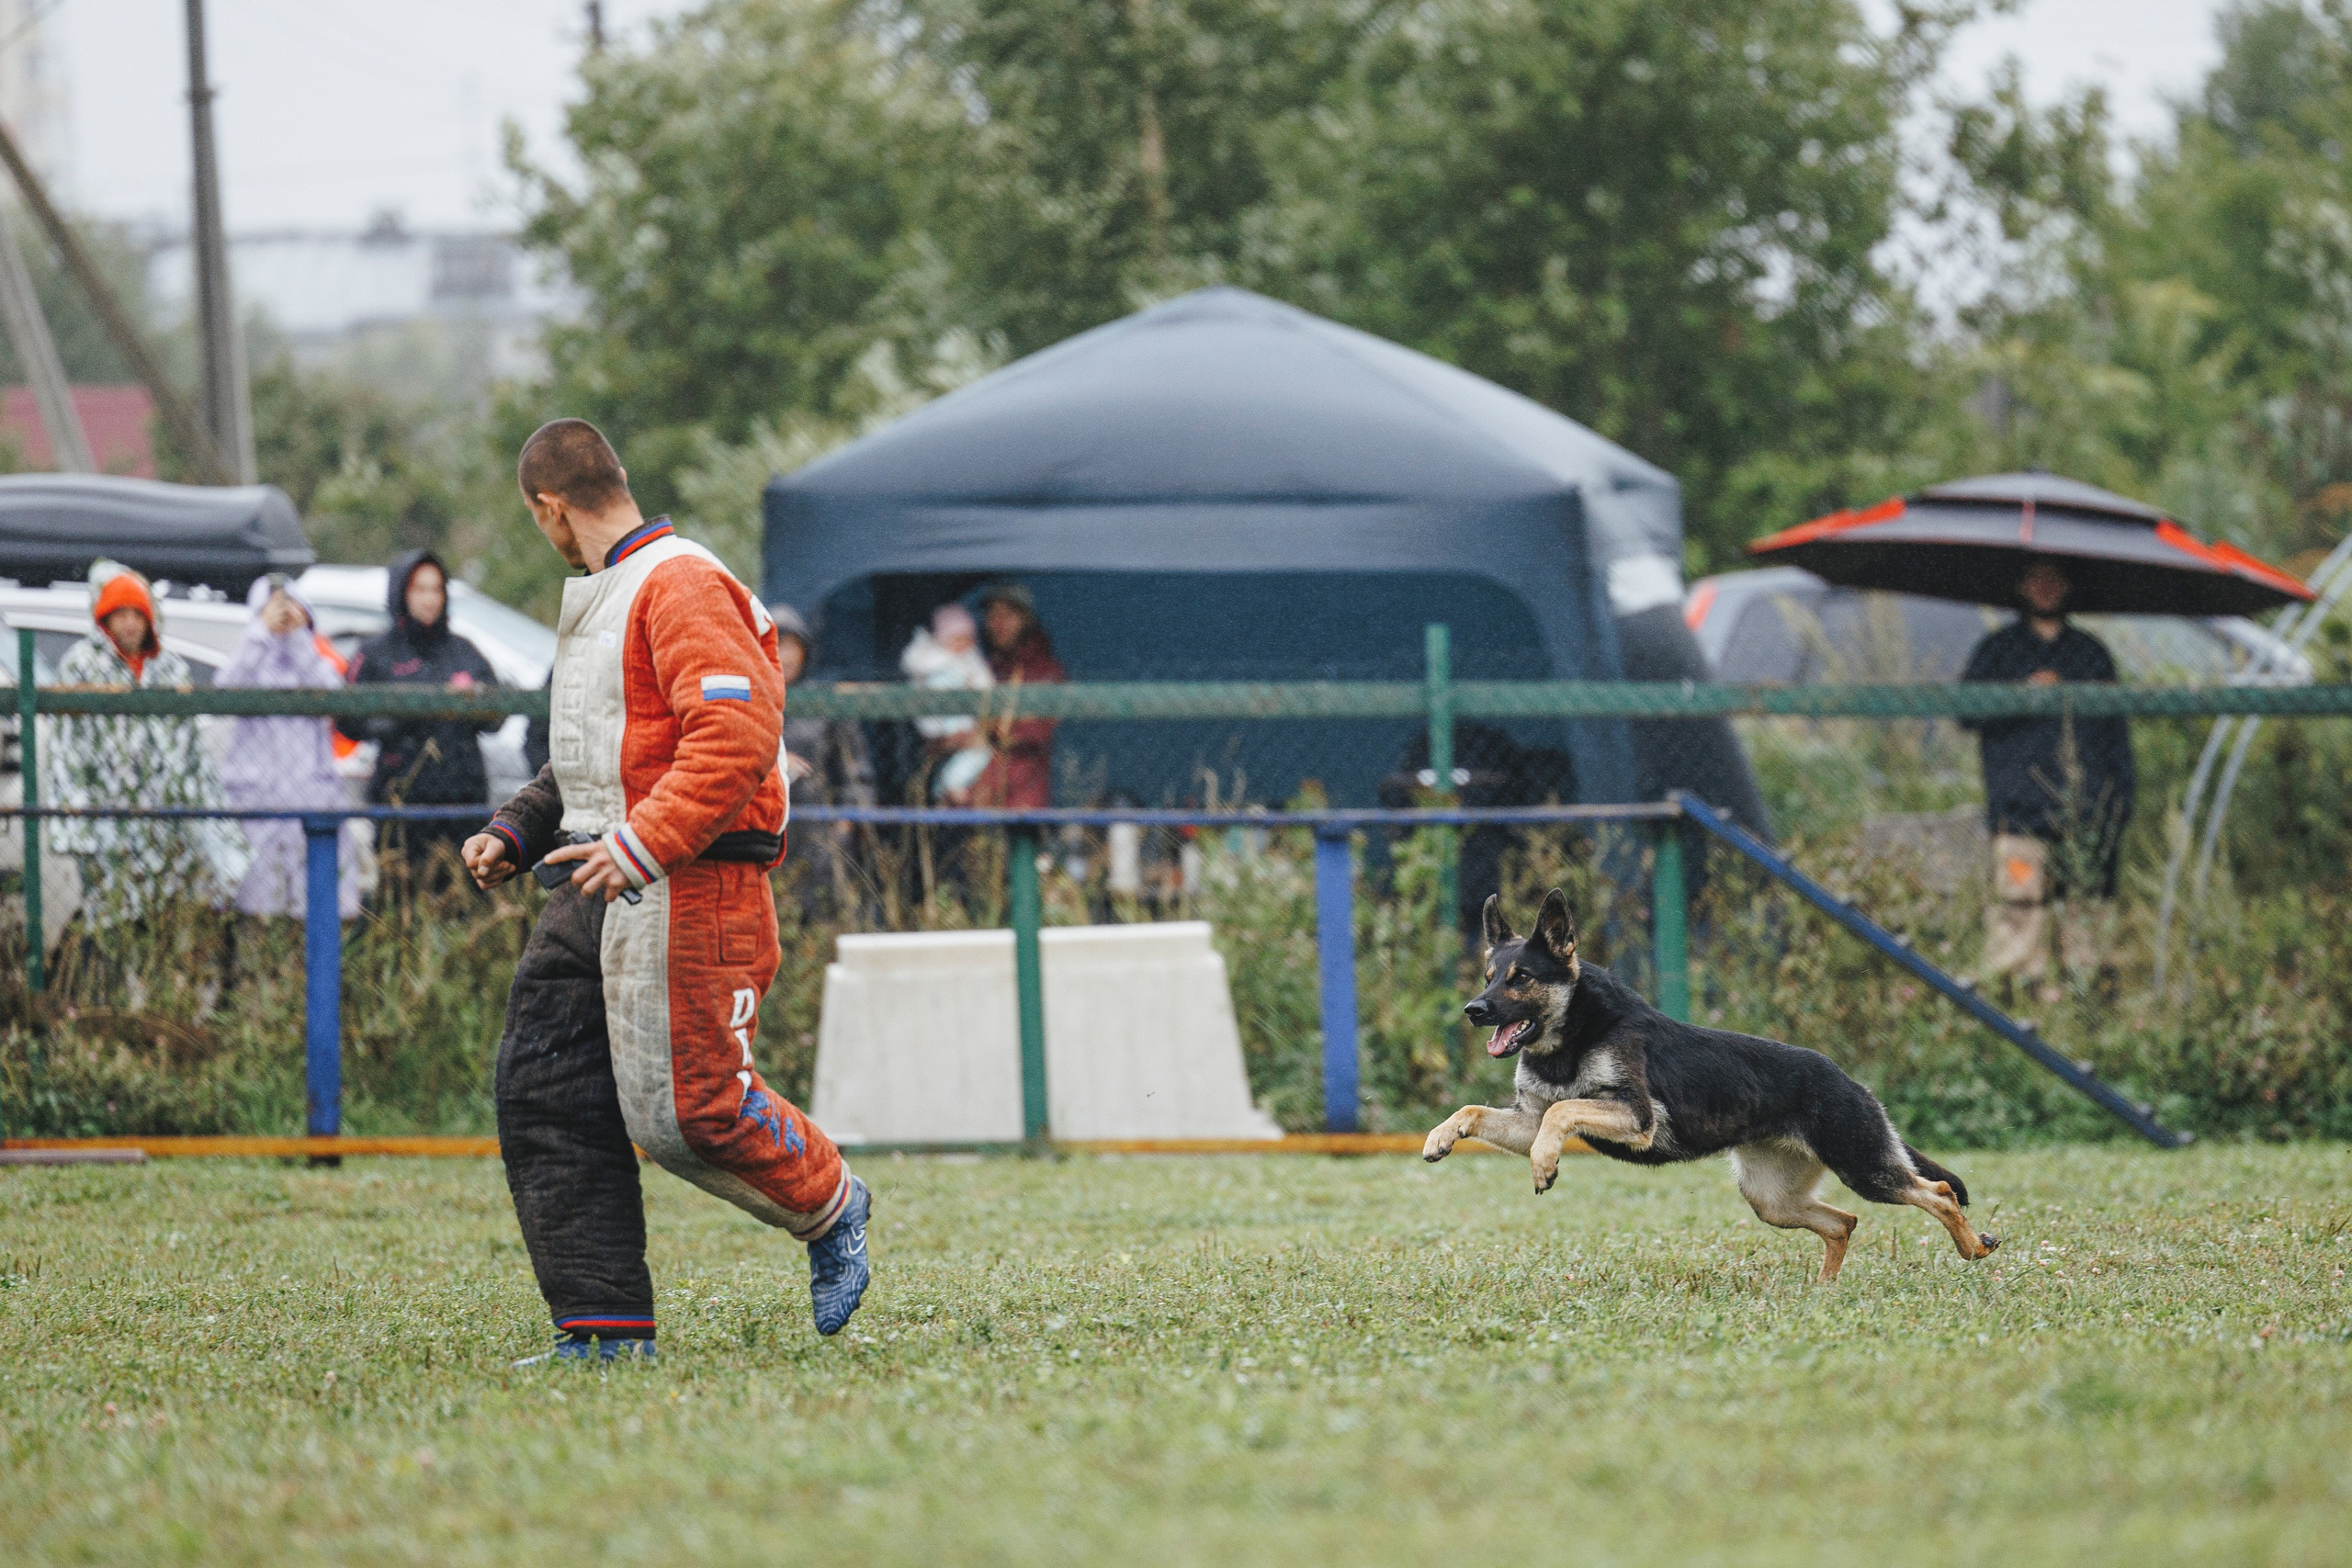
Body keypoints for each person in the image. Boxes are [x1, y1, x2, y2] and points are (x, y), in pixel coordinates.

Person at [461, 417, 869, 1361]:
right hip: (597, 879)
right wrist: (516, 829)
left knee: (692, 1115)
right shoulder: (611, 595)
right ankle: (604, 1332)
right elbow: (602, 757)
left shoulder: (679, 581)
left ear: (549, 507)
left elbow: (731, 739)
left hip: (689, 880)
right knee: (545, 1094)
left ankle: (832, 1201)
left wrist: (643, 842)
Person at [1960, 559, 2135, 993]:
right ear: (2019, 583)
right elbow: (1966, 712)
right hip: (2020, 811)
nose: (2044, 587)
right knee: (2019, 906)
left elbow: (2117, 733)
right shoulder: (1997, 651)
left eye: (2054, 577)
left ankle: (2090, 994)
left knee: (2089, 907)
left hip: (2087, 810)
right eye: (2034, 576)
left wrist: (2121, 800)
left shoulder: (2091, 653)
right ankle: (2018, 998)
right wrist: (2021, 695)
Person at [45, 565, 249, 930]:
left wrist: (201, 807)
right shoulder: (81, 665)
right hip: (109, 812)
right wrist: (76, 815)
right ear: (105, 618)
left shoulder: (169, 667)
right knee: (111, 914)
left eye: (137, 614)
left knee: (168, 915)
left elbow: (189, 748)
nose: (129, 624)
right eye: (120, 614)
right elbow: (66, 746)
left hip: (167, 816)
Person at [337, 550, 500, 884]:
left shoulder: (464, 651)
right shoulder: (376, 653)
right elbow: (346, 720)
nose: (429, 599)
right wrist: (399, 719)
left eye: (436, 589)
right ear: (401, 593)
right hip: (400, 802)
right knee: (400, 898)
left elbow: (496, 717)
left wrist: (472, 703)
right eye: (419, 589)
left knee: (464, 899)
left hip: (463, 803)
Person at [214, 575, 368, 921]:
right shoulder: (249, 658)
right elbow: (224, 691)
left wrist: (300, 639)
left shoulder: (313, 660)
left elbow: (333, 695)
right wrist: (261, 634)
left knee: (315, 906)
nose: (282, 616)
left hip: (310, 802)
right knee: (257, 909)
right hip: (257, 804)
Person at [775, 604, 876, 910]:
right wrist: (775, 761)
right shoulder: (743, 701)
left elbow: (856, 772)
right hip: (765, 833)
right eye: (777, 645)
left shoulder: (826, 704)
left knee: (823, 915)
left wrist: (846, 824)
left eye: (793, 646)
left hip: (818, 833)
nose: (785, 655)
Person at [970, 582, 1065, 809]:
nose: (998, 624)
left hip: (1022, 800)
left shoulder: (1045, 670)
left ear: (1027, 619)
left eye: (1008, 615)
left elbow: (1033, 729)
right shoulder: (980, 668)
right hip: (973, 800)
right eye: (992, 615)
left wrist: (987, 728)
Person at [899, 602, 994, 801]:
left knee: (979, 752)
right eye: (956, 639)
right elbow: (915, 665)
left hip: (965, 723)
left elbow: (984, 682)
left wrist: (976, 685)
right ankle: (944, 787)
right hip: (936, 723)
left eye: (967, 639)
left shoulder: (970, 660)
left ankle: (951, 783)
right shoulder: (927, 659)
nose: (963, 644)